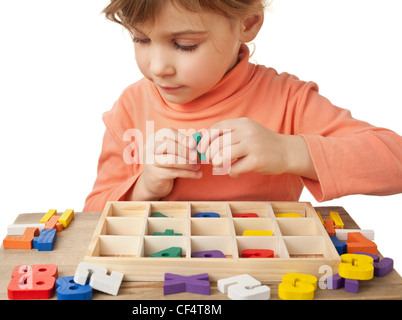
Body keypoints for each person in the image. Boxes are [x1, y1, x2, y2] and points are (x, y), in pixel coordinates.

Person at [83, 0, 402, 212]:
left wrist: (289, 151)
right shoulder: (130, 108)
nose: (157, 67)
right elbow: (93, 212)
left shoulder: (287, 100)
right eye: (141, 39)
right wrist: (144, 187)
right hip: (158, 277)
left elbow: (394, 161)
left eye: (185, 45)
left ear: (247, 24)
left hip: (264, 277)